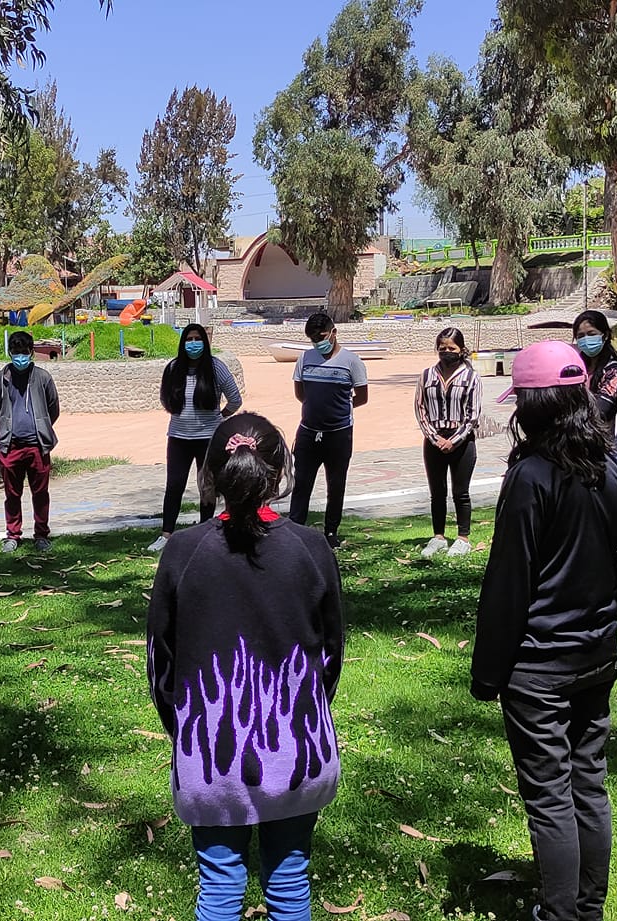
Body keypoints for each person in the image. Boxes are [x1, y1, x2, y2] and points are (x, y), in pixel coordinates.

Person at [147, 412, 343, 921]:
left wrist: (185, 728)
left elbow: (160, 661)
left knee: (219, 886)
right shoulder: (312, 548)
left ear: (209, 473)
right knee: (290, 879)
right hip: (297, 748)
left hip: (210, 752)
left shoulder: (183, 551)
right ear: (281, 473)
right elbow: (331, 654)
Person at [470, 340, 617, 921]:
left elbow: (509, 583)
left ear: (532, 405)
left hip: (539, 665)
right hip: (596, 652)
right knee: (589, 781)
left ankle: (560, 912)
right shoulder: (613, 464)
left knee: (549, 796)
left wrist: (489, 672)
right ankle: (588, 908)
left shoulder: (532, 475)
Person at [152, 323, 243, 554]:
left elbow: (235, 400)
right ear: (183, 343)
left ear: (205, 341)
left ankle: (205, 530)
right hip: (179, 438)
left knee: (208, 487)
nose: (194, 344)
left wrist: (220, 417)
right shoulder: (173, 368)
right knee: (174, 486)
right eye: (189, 339)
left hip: (208, 439)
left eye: (198, 339)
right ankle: (166, 534)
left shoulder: (216, 368)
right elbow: (166, 399)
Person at [290, 312, 369, 548]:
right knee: (302, 483)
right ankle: (296, 530)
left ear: (333, 332)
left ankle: (331, 532)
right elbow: (300, 393)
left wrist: (338, 408)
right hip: (308, 432)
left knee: (336, 485)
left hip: (339, 434)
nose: (317, 341)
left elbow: (362, 397)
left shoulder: (352, 362)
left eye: (321, 336)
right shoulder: (305, 358)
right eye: (313, 338)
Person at [0, 330, 60, 554]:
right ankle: (13, 535)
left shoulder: (43, 377)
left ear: (31, 352)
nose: (20, 356)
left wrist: (41, 425)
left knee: (40, 494)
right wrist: (8, 425)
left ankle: (41, 535)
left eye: (24, 352)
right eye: (16, 352)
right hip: (11, 446)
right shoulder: (1, 378)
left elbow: (53, 409)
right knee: (12, 494)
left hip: (38, 446)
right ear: (10, 352)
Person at [415, 327, 483, 558]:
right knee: (437, 492)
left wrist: (453, 440)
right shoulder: (426, 376)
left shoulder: (471, 377)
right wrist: (435, 438)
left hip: (462, 442)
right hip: (433, 440)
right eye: (442, 348)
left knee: (460, 492)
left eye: (451, 348)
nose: (446, 352)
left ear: (461, 350)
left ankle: (463, 538)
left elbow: (473, 415)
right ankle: (439, 537)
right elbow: (420, 409)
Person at [571, 310, 617, 425]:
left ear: (605, 335)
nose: (586, 339)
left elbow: (602, 410)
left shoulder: (613, 370)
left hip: (598, 438)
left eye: (591, 334)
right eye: (580, 336)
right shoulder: (576, 367)